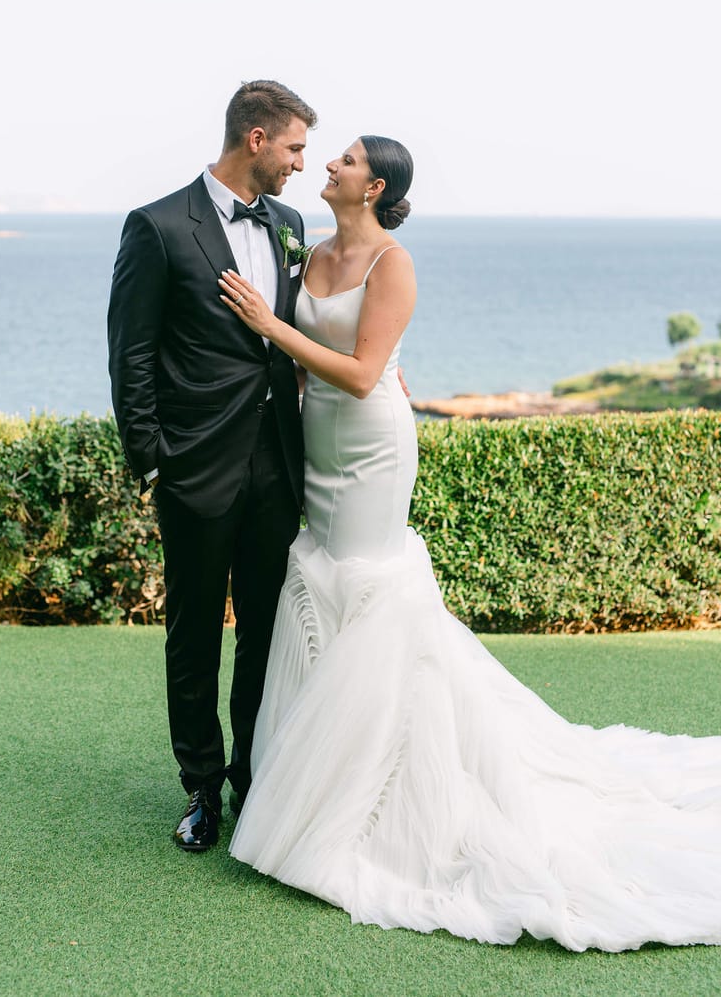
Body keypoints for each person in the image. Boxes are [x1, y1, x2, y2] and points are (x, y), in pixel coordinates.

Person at [219, 135, 721, 953]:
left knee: (368, 584)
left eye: (342, 159)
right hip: (315, 448)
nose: (328, 168)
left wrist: (269, 326)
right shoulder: (308, 252)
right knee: (322, 586)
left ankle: (384, 791)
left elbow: (359, 371)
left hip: (373, 450)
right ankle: (319, 774)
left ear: (373, 185)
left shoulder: (394, 264)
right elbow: (310, 376)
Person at [108, 79, 317, 851]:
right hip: (194, 468)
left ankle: (251, 778)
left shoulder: (292, 224)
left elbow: (290, 338)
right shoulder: (158, 227)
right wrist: (152, 464)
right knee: (193, 633)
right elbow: (130, 357)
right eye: (296, 146)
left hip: (278, 466)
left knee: (266, 631)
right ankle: (200, 787)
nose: (302, 164)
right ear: (256, 139)